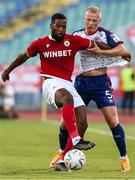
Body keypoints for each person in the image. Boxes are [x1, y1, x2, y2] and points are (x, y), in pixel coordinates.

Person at [1, 13, 101, 171]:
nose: (61, 29)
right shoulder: (40, 43)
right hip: (50, 83)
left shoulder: (73, 41)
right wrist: (8, 70)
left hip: (68, 84)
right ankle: (75, 139)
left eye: (64, 26)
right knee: (67, 99)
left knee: (83, 123)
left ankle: (62, 162)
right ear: (51, 26)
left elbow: (96, 45)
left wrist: (119, 50)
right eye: (58, 26)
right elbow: (23, 56)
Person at [50, 7, 131, 172]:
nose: (91, 23)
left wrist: (101, 51)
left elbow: (122, 51)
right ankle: (61, 154)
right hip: (82, 83)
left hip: (101, 83)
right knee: (66, 120)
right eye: (88, 19)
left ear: (99, 20)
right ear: (84, 19)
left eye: (94, 20)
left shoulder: (105, 34)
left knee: (112, 120)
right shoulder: (77, 35)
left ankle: (124, 157)